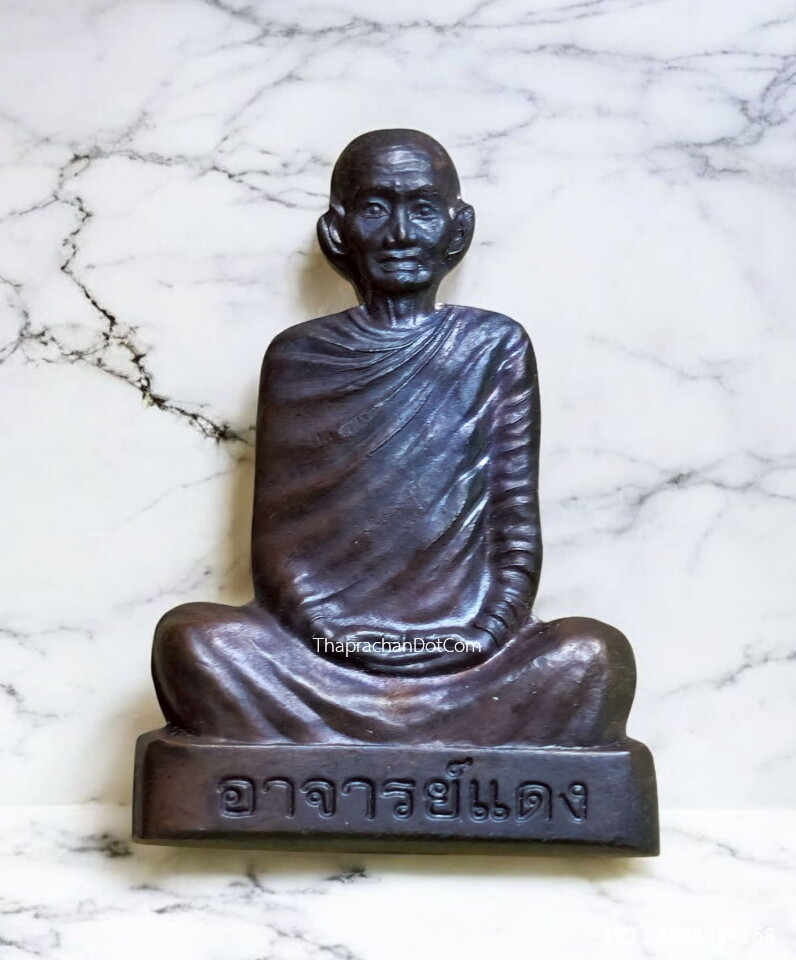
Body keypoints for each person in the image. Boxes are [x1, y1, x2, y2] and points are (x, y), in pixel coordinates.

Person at [152, 129, 636, 746]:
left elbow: (513, 526)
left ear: (458, 229)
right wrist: (333, 637)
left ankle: (355, 749)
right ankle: (411, 747)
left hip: (471, 657)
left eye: (423, 209)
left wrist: (486, 632)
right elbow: (279, 549)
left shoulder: (493, 346)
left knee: (592, 655)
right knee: (193, 640)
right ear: (338, 231)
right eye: (376, 208)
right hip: (324, 654)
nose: (400, 233)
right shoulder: (301, 355)